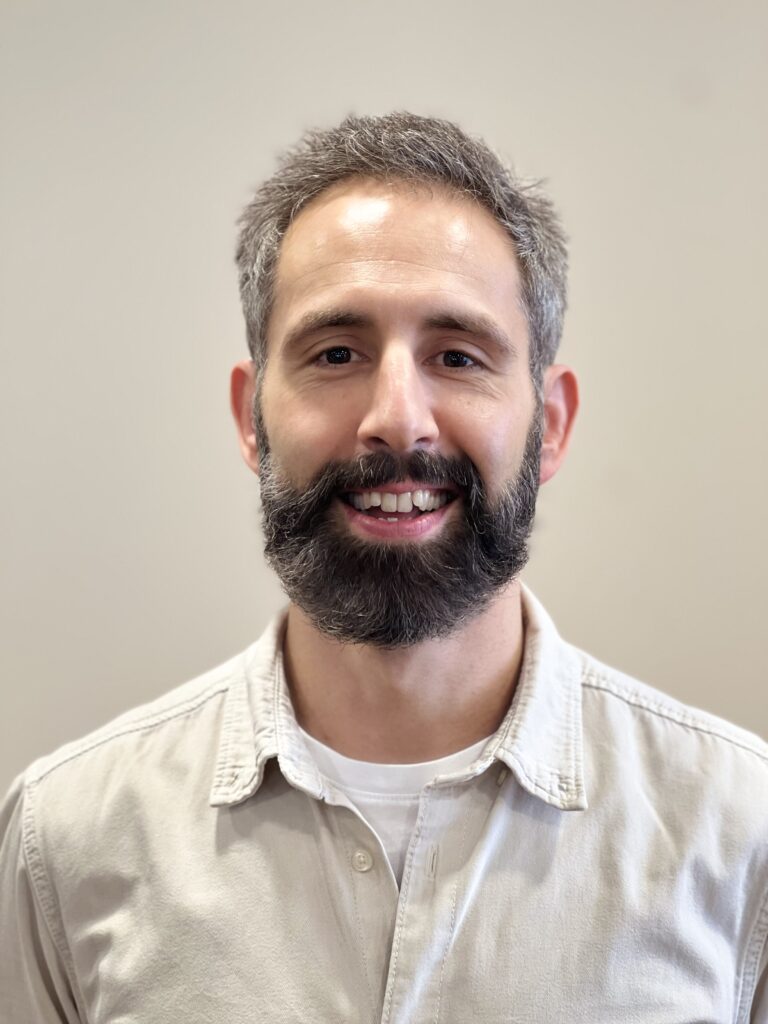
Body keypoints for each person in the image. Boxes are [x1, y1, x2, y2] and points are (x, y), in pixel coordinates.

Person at [1, 112, 766, 1023]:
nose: (398, 418)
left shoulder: (740, 830)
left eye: (458, 356)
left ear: (551, 424)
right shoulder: (67, 839)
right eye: (336, 354)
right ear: (251, 418)